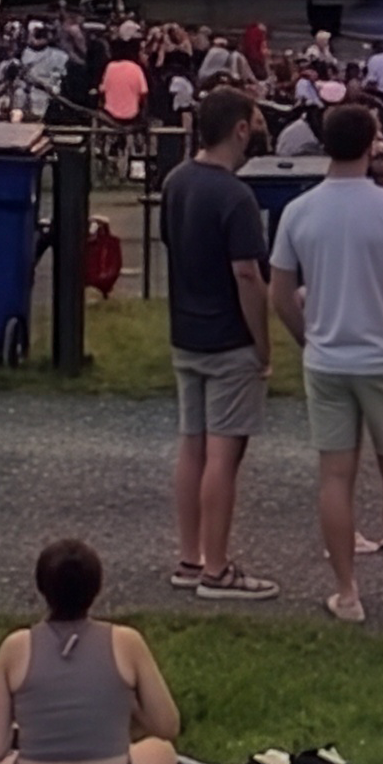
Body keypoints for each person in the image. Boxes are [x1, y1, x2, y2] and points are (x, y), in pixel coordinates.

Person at [267, 100, 383, 624]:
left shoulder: (300, 210)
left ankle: (346, 592)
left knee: (335, 476)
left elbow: (280, 292)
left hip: (327, 356)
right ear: (374, 143)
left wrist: (310, 338)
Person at [0, 540, 183, 764]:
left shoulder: (15, 647)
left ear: (42, 588)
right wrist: (127, 699)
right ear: (97, 588)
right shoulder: (127, 642)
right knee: (159, 750)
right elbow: (167, 727)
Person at [163, 90, 279, 601]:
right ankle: (217, 568)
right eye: (253, 122)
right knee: (223, 456)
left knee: (192, 445)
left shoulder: (176, 183)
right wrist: (264, 343)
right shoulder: (236, 196)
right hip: (228, 338)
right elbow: (248, 275)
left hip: (185, 333)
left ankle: (190, 557)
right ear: (237, 129)